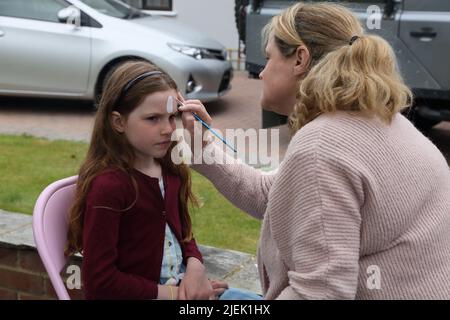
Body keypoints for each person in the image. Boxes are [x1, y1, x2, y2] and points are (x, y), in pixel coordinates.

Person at [178, 2, 450, 299]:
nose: (262, 73)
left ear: (300, 59)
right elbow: (272, 194)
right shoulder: (378, 119)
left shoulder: (323, 148)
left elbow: (319, 293)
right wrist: (202, 148)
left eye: (269, 58)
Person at [64, 61, 229, 300]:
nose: (168, 129)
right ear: (118, 122)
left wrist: (195, 267)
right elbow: (100, 281)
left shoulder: (170, 170)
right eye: (153, 118)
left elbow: (182, 233)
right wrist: (177, 294)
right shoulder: (109, 187)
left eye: (172, 117)